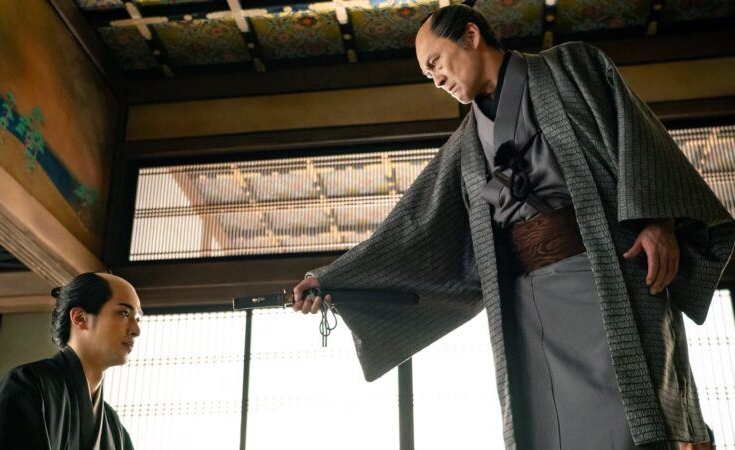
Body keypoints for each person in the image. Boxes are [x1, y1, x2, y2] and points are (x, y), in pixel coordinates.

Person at [293, 4, 733, 450]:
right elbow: (411, 226)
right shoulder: (465, 145)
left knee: (628, 417)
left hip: (605, 276)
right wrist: (332, 280)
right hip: (524, 304)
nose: (436, 80)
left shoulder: (572, 66)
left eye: (436, 63)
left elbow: (637, 137)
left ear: (471, 36)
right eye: (428, 76)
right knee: (543, 429)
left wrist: (660, 221)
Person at [0, 272, 142, 450]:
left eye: (138, 318)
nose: (136, 330)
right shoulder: (29, 386)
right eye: (124, 313)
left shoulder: (113, 425)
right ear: (80, 318)